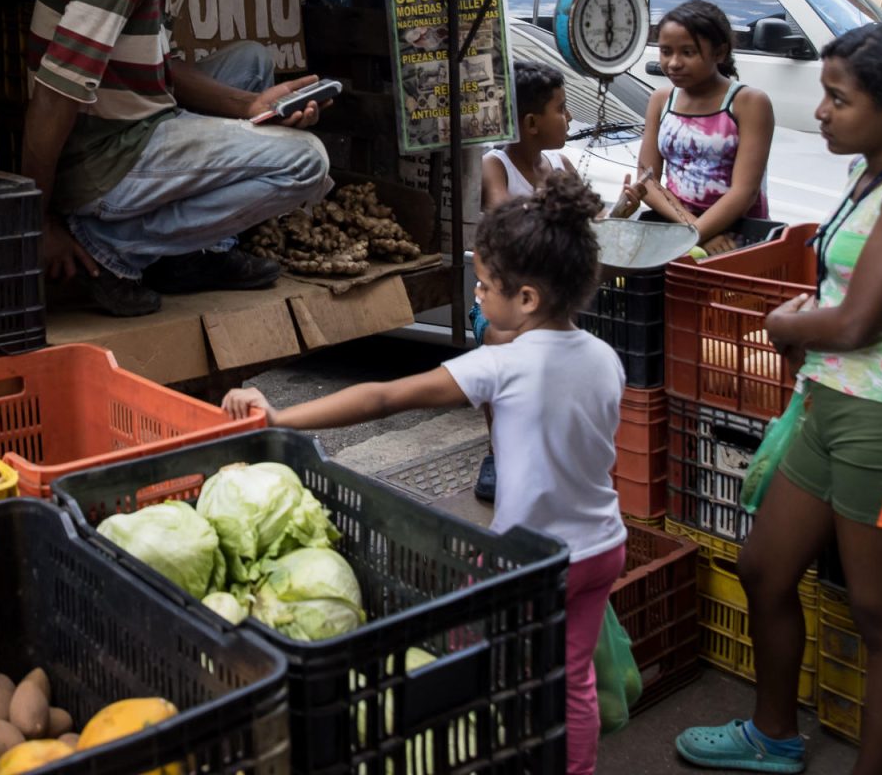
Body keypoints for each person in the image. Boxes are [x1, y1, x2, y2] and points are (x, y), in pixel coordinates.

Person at [224, 170, 627, 775]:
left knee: (470, 649)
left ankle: (486, 746)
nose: (479, 294)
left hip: (531, 559)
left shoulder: (505, 366)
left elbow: (386, 398)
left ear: (527, 300)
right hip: (601, 546)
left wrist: (282, 416)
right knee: (571, 678)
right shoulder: (604, 358)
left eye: (486, 286)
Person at [676, 21, 882, 775]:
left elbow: (852, 321)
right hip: (825, 408)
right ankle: (773, 737)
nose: (821, 112)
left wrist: (784, 321)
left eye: (838, 100)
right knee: (764, 569)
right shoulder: (874, 169)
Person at [21, 0, 331, 318]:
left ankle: (190, 255)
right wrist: (39, 223)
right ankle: (110, 246)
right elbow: (53, 98)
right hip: (107, 161)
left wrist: (251, 104)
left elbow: (158, 71)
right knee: (305, 162)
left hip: (129, 128)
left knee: (252, 62)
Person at [471, 59, 577, 502]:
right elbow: (504, 217)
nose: (569, 118)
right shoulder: (496, 163)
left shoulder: (561, 163)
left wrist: (623, 205)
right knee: (501, 342)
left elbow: (591, 223)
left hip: (549, 301)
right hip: (504, 303)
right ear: (532, 123)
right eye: (562, 109)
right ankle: (498, 452)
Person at [618, 0, 774, 254]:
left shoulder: (749, 103)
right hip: (680, 235)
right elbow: (648, 182)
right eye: (666, 51)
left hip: (737, 241)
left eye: (688, 52)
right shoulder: (661, 101)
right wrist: (695, 233)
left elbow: (745, 192)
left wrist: (696, 234)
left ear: (719, 53)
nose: (674, 63)